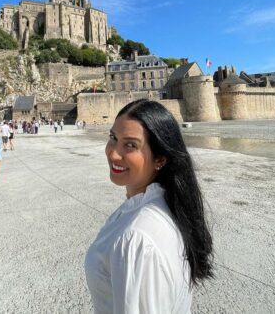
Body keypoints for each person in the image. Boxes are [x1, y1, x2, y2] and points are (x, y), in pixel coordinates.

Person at [85, 99, 213, 313]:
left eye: (131, 145)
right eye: (113, 138)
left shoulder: (137, 238)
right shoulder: (169, 205)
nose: (113, 153)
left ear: (160, 159)